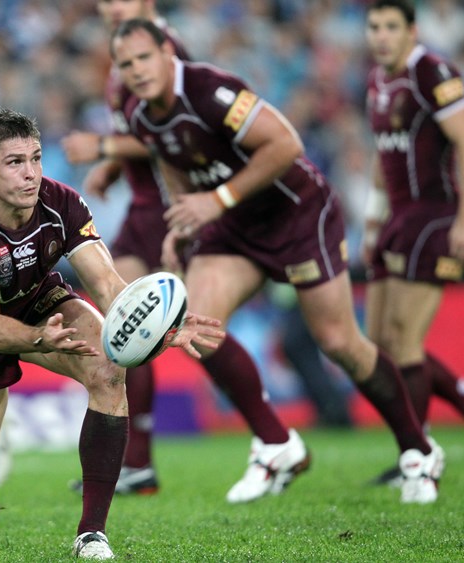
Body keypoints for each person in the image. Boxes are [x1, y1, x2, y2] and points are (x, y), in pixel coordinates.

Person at [111, 18, 444, 504]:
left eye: (144, 57)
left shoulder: (210, 89)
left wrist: (216, 199)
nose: (137, 70)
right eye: (126, 64)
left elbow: (286, 144)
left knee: (339, 343)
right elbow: (171, 160)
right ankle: (276, 443)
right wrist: (183, 223)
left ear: (167, 53)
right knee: (198, 328)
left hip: (298, 214)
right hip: (234, 225)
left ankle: (418, 451)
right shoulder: (140, 113)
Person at [0, 108, 223, 559]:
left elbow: (108, 286)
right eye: (15, 162)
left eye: (36, 158)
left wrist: (162, 323)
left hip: (40, 303)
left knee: (108, 369)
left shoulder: (61, 202)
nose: (31, 174)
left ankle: (91, 533)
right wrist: (37, 339)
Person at [63, 0, 308, 504]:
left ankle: (266, 436)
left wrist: (106, 149)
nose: (112, 6)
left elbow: (184, 135)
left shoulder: (164, 51)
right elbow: (148, 134)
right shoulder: (123, 56)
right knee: (125, 319)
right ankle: (139, 461)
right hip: (145, 206)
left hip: (171, 205)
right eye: (105, 0)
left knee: (167, 320)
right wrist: (114, 165)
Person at [363, 0, 464, 485]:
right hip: (396, 217)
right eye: (374, 27)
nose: (381, 36)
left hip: (435, 214)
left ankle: (417, 456)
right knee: (379, 344)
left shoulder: (431, 72)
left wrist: (463, 220)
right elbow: (381, 155)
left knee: (404, 339)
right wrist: (371, 222)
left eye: (391, 27)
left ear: (412, 31)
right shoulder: (376, 81)